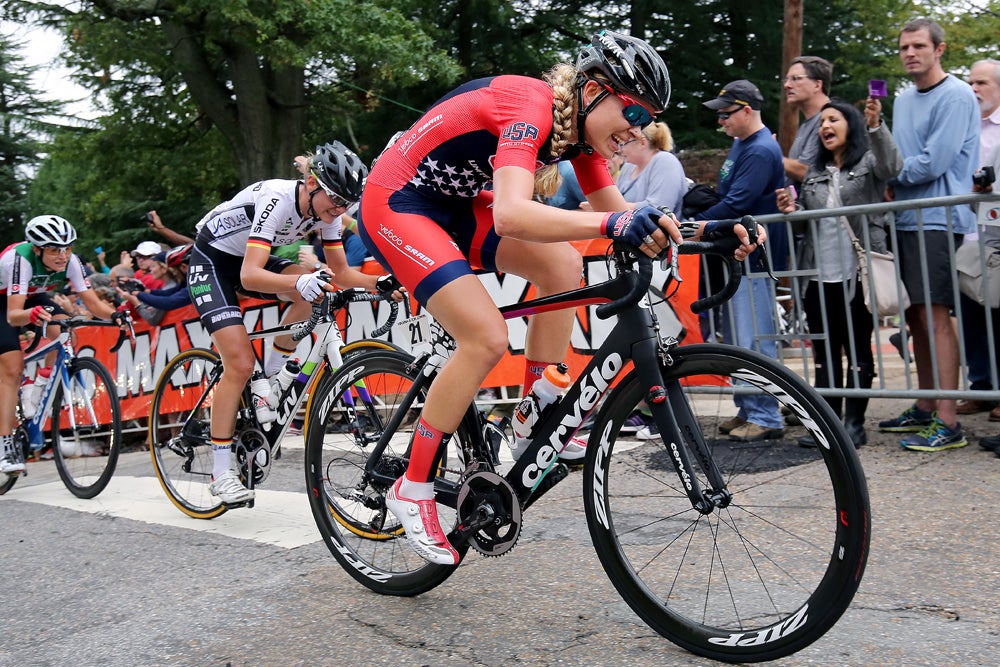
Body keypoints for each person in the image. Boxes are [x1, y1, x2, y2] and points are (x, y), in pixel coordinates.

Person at [356, 30, 762, 565]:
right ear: (593, 91)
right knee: (485, 336)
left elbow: (633, 221)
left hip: (452, 204)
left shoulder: (584, 144)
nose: (637, 130)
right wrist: (619, 220)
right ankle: (412, 485)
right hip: (398, 200)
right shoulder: (529, 104)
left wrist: (712, 233)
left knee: (566, 264)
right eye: (634, 112)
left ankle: (533, 405)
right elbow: (512, 214)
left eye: (646, 120)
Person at [188, 141, 396, 505]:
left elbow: (343, 274)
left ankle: (270, 379)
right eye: (335, 199)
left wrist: (379, 283)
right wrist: (301, 280)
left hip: (249, 259)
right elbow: (251, 276)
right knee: (238, 363)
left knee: (313, 285)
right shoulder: (278, 199)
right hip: (212, 262)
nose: (340, 209)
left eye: (347, 203)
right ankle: (221, 472)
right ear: (312, 184)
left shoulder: (327, 214)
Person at [776, 98, 903, 447]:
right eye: (821, 122)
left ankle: (855, 423)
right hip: (819, 274)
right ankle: (829, 424)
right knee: (825, 351)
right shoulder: (814, 170)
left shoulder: (868, 163)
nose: (825, 126)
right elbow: (807, 210)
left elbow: (892, 165)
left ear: (852, 126)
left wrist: (877, 125)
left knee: (858, 348)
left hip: (858, 274)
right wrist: (791, 207)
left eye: (833, 119)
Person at [878, 18, 980, 452]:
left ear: (940, 50)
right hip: (903, 216)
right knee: (915, 316)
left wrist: (889, 177)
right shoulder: (902, 100)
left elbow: (933, 162)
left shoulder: (956, 94)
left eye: (918, 45)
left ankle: (948, 419)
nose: (910, 53)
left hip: (937, 217)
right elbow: (898, 154)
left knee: (936, 316)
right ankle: (924, 405)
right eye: (904, 47)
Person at [695, 79, 786, 442]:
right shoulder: (744, 144)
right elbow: (731, 198)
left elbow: (738, 203)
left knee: (753, 338)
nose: (721, 121)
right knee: (738, 337)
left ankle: (766, 415)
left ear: (747, 110)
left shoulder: (760, 149)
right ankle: (748, 408)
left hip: (754, 254)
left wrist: (699, 226)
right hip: (740, 252)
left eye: (726, 114)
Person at [0, 216, 124, 474]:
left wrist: (115, 315)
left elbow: (93, 303)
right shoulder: (19, 260)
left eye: (67, 248)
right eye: (55, 249)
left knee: (64, 328)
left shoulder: (72, 262)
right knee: (12, 368)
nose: (62, 255)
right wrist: (31, 315)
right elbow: (14, 316)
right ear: (37, 248)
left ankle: (38, 386)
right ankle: (6, 445)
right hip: (4, 304)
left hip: (33, 296)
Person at [958, 59, 1000, 420]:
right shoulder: (965, 125)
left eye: (982, 82)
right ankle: (982, 388)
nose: (974, 89)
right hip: (971, 233)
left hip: (996, 235)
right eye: (970, 82)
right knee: (972, 314)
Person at [781, 56, 833, 188]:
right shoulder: (808, 123)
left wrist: (768, 154)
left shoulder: (831, 120)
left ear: (817, 85)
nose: (786, 85)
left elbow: (806, 172)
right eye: (786, 79)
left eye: (796, 78)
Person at [616, 121, 687, 216]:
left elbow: (659, 210)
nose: (619, 149)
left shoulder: (665, 161)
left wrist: (612, 207)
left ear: (642, 143)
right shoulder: (628, 167)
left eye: (623, 143)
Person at [116, 245, 193, 325]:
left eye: (174, 270)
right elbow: (168, 293)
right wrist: (143, 290)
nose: (174, 273)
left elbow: (168, 302)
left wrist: (137, 295)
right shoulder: (187, 283)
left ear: (184, 267)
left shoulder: (195, 286)